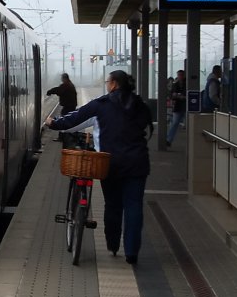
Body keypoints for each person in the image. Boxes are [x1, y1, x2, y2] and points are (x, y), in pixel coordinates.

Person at [45, 70, 152, 265]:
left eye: (108, 82)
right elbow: (147, 130)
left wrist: (53, 123)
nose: (106, 85)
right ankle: (132, 253)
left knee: (113, 205)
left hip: (109, 163)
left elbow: (74, 119)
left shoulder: (101, 105)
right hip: (137, 164)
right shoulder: (140, 105)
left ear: (114, 84)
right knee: (134, 206)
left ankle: (112, 244)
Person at [166, 69, 186, 148]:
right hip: (178, 107)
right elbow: (171, 95)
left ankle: (169, 139)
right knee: (174, 123)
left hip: (186, 107)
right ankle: (168, 140)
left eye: (181, 75)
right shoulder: (175, 85)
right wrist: (178, 96)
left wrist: (178, 96)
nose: (180, 77)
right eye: (179, 75)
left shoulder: (187, 84)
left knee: (188, 124)